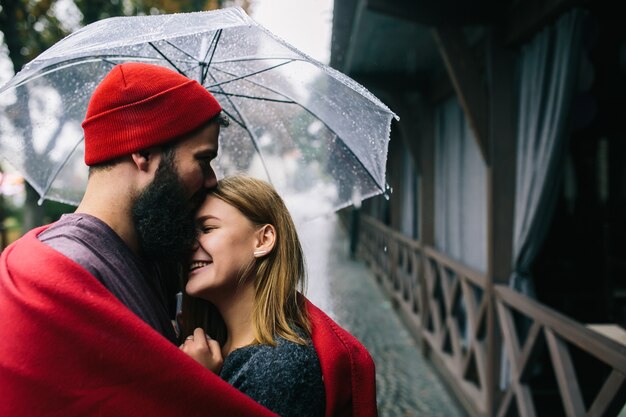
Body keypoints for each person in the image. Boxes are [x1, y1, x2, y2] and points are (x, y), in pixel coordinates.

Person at [0, 63, 279, 417]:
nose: (211, 180)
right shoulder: (59, 275)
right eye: (203, 159)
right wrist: (190, 388)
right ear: (143, 152)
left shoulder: (155, 254)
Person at [178, 175, 379, 417]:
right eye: (189, 233)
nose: (189, 244)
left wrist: (196, 389)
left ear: (263, 240)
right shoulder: (220, 350)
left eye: (207, 228)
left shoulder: (277, 367)